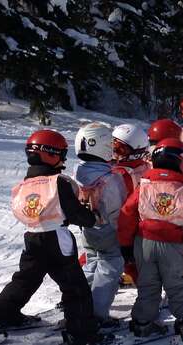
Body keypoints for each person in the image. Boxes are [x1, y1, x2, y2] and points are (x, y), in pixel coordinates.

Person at [0, 130, 101, 345]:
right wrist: (92, 218)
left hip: (32, 237)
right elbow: (75, 212)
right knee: (74, 287)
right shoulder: (57, 182)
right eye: (61, 154)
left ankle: (2, 314)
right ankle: (82, 333)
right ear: (49, 153)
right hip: (57, 240)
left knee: (25, 279)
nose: (64, 159)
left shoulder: (24, 185)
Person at [117, 138, 183, 342]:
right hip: (173, 247)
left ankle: (142, 323)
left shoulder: (145, 186)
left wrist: (125, 244)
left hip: (143, 243)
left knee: (148, 284)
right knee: (176, 284)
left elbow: (127, 213)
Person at [73, 123, 127, 327]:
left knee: (91, 262)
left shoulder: (77, 172)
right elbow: (119, 205)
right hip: (108, 229)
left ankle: (80, 306)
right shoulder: (110, 178)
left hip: (87, 229)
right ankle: (96, 314)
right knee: (110, 266)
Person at [110, 124, 151, 287]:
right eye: (112, 147)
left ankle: (133, 274)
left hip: (125, 220)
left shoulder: (119, 172)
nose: (114, 153)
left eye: (120, 149)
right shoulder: (147, 166)